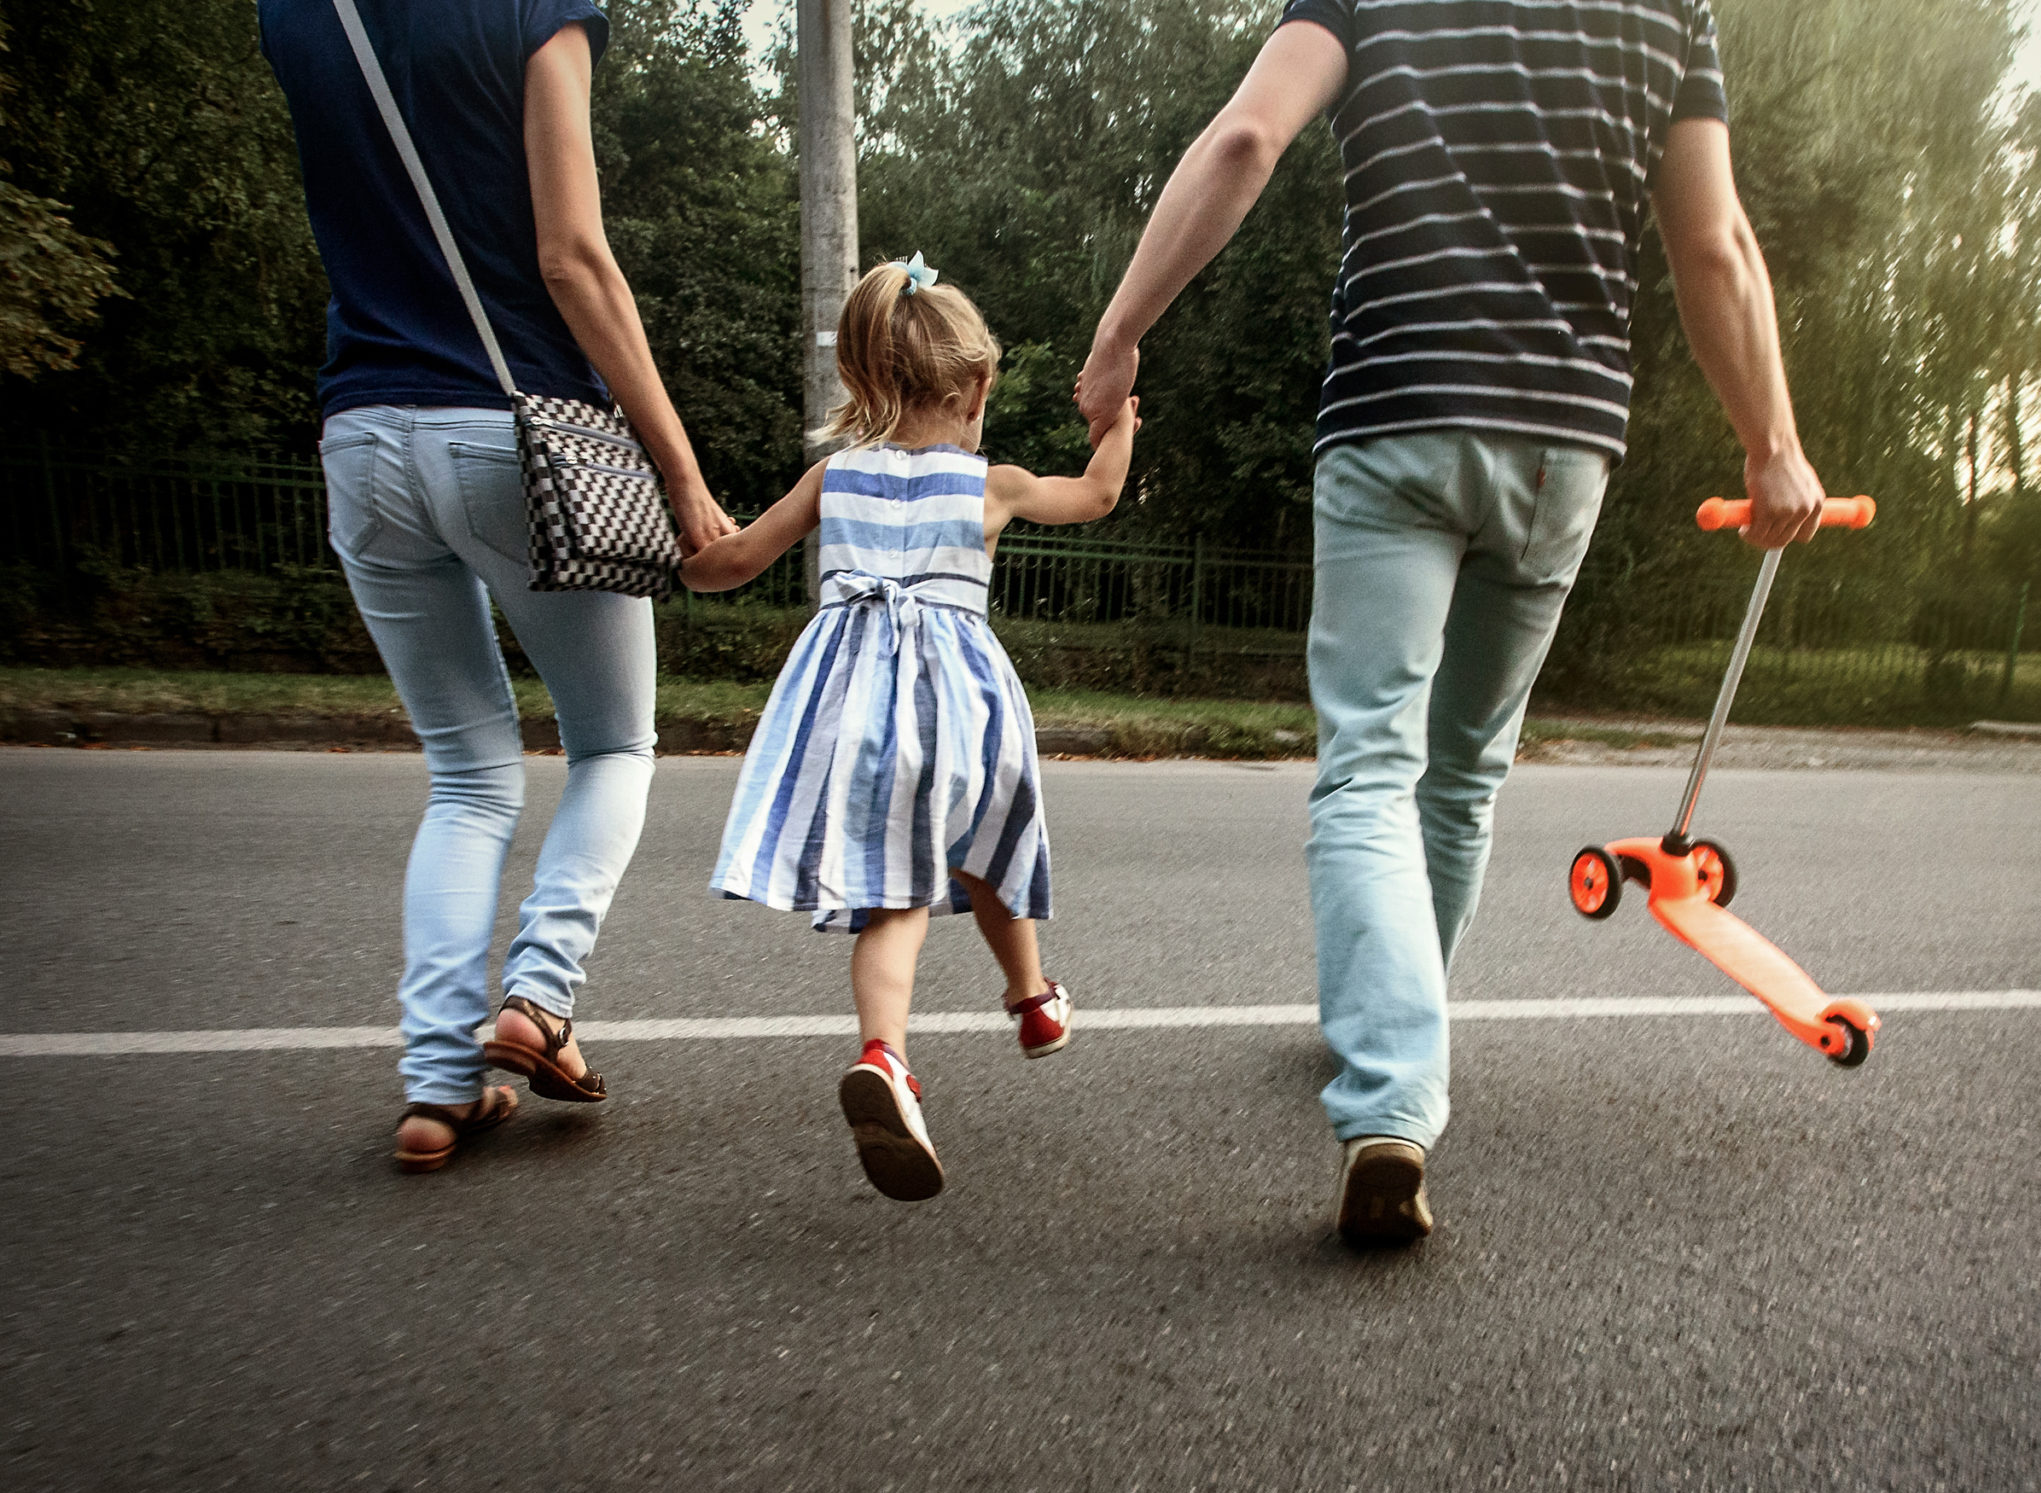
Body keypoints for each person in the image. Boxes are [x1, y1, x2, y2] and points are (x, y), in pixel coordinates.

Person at [1074, 0, 1828, 1243]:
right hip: (1560, 437)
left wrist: (1118, 338)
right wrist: (1773, 448)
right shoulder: (1667, 9)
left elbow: (1245, 141)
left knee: (1370, 762)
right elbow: (1714, 244)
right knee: (1464, 769)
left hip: (1398, 406)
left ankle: (1390, 1096)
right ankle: (1397, 1027)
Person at [262, 0, 734, 1171]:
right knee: (614, 746)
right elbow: (572, 256)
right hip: (513, 431)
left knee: (467, 773)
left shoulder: (296, 11)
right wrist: (680, 474)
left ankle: (436, 1087)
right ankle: (538, 996)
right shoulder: (533, 5)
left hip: (361, 433)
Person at [683, 257, 1134, 1203]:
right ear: (973, 390)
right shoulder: (992, 483)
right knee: (988, 842)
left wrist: (684, 557)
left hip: (857, 719)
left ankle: (896, 1049)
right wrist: (1118, 426)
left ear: (863, 379)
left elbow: (732, 561)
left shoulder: (831, 477)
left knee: (897, 895)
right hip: (964, 713)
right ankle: (1029, 1002)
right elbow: (1096, 495)